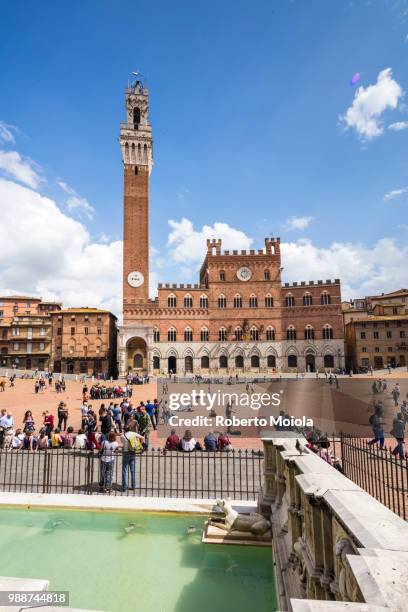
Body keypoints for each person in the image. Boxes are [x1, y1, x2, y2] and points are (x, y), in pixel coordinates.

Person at [121, 425, 144, 491]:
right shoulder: (133, 434)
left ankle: (124, 487)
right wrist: (140, 445)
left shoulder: (123, 436)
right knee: (133, 470)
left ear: (124, 429)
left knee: (125, 470)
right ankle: (133, 486)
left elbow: (123, 444)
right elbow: (142, 438)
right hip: (133, 452)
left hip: (126, 452)